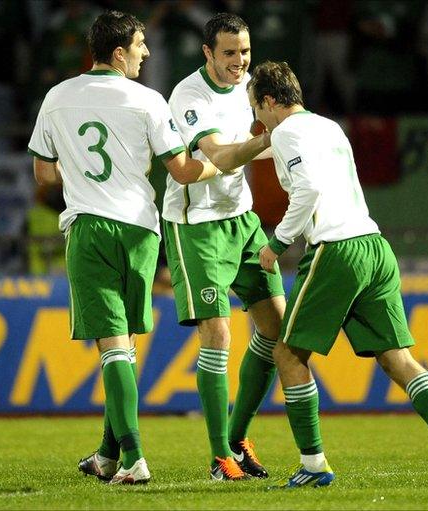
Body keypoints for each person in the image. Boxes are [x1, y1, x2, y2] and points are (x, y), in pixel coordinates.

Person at [247, 60, 428, 487]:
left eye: (255, 108)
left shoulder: (285, 133)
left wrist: (277, 242)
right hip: (374, 246)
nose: (256, 119)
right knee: (398, 359)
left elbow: (308, 189)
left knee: (287, 354)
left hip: (337, 250)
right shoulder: (329, 126)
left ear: (267, 100)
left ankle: (314, 465)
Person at [28, 10, 224, 485]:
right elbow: (180, 170)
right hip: (140, 230)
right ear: (119, 53)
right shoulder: (149, 101)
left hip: (92, 228)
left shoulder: (57, 97)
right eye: (140, 45)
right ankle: (107, 455)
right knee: (124, 346)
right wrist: (224, 165)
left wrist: (77, 176)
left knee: (113, 345)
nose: (147, 52)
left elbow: (44, 174)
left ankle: (134, 459)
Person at [163, 13, 285, 481]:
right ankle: (219, 457)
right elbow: (218, 155)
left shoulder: (250, 87)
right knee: (218, 335)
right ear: (208, 53)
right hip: (197, 224)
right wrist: (270, 140)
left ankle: (238, 437)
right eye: (230, 53)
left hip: (243, 219)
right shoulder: (187, 96)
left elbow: (261, 149)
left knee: (276, 329)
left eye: (245, 51)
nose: (240, 61)